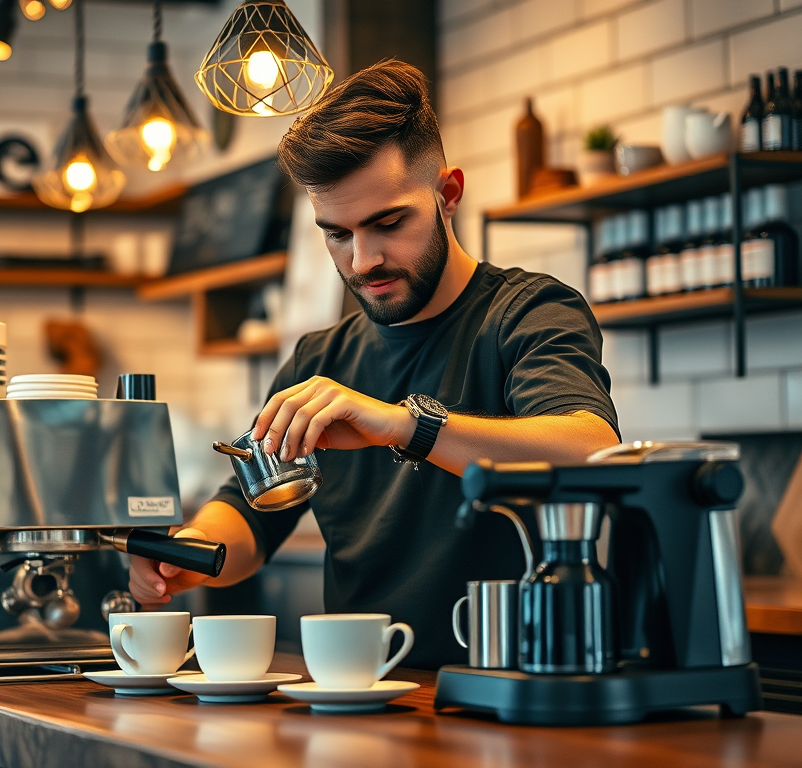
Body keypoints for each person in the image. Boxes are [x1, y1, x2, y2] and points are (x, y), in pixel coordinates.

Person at [129, 60, 621, 668]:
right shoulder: (319, 360)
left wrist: (404, 425)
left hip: (518, 691)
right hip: (361, 697)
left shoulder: (529, 311)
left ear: (449, 195)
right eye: (336, 234)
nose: (362, 261)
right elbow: (247, 517)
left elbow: (593, 450)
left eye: (388, 223)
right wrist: (188, 556)